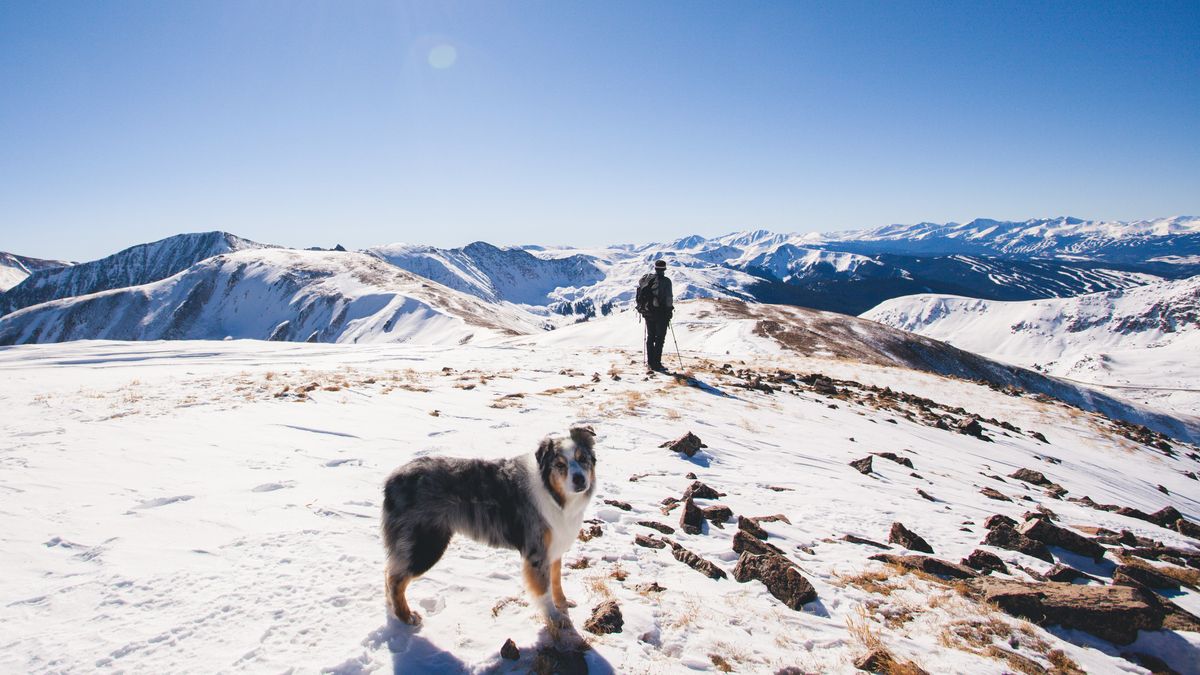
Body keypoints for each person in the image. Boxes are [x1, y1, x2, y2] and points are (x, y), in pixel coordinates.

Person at [636, 259, 674, 371]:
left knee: (651, 337)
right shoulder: (666, 281)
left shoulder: (647, 279)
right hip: (661, 314)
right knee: (660, 338)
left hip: (648, 313)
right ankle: (656, 363)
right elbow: (668, 299)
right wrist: (669, 311)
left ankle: (650, 362)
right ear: (664, 269)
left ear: (655, 268)